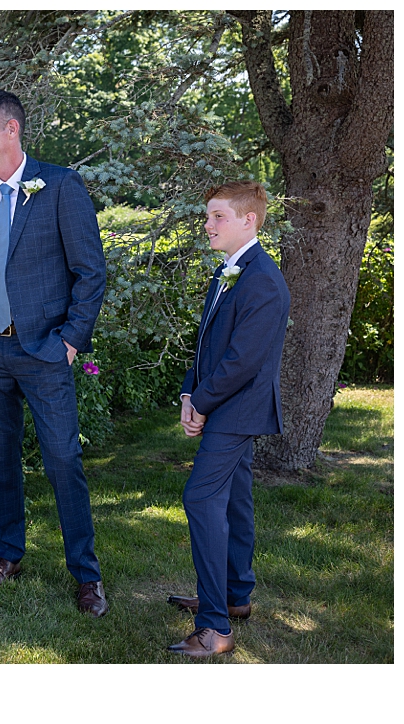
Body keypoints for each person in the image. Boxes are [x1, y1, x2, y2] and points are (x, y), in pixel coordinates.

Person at [0, 90, 109, 616]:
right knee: (0, 460)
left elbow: (91, 271)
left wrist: (69, 342)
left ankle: (86, 575)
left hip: (44, 350)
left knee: (63, 459)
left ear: (11, 130)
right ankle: (8, 554)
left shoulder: (60, 185)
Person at [167, 180, 290, 657]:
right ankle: (236, 595)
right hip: (222, 401)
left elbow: (242, 362)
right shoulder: (229, 271)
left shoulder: (262, 280)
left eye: (218, 216)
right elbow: (207, 345)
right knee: (235, 498)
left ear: (248, 221)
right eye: (208, 216)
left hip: (239, 408)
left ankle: (215, 627)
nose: (208, 225)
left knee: (200, 498)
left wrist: (201, 403)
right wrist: (187, 393)